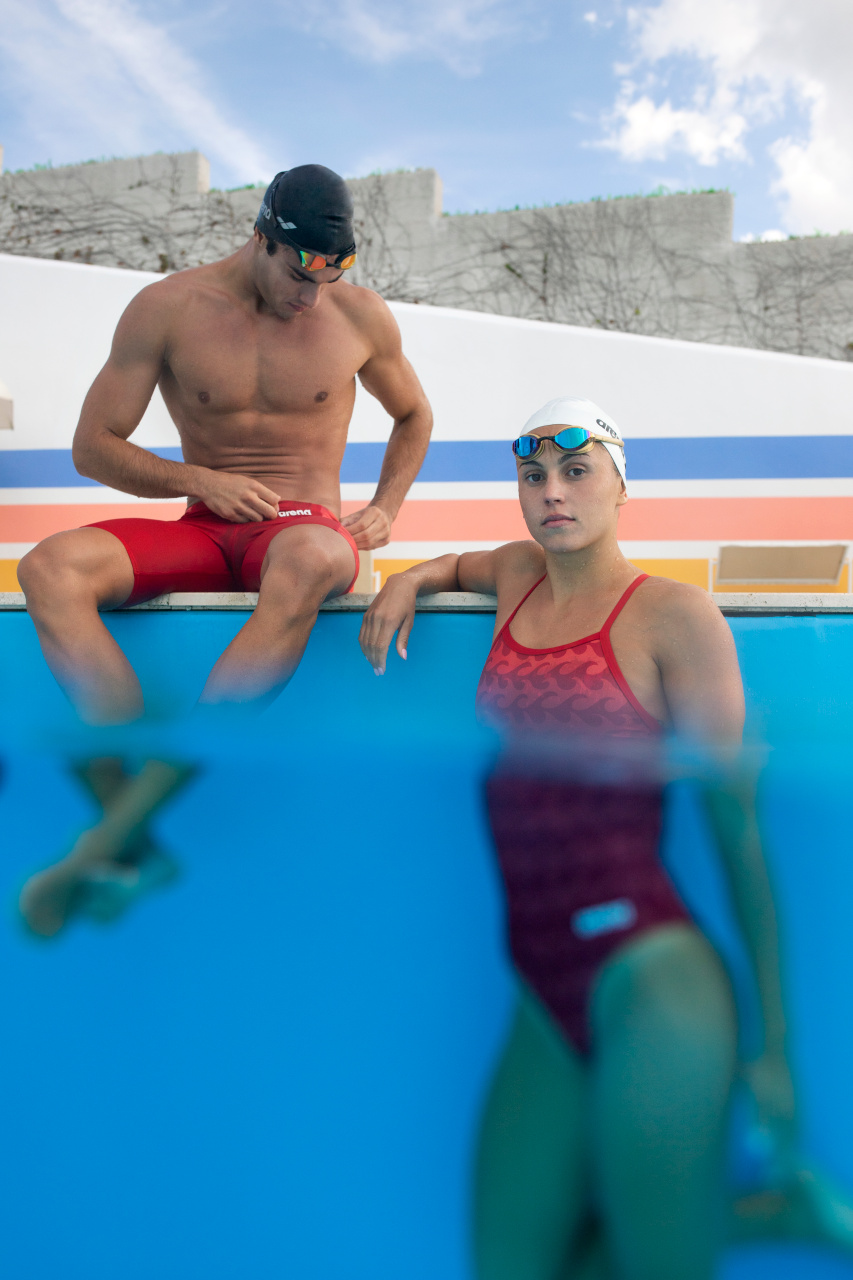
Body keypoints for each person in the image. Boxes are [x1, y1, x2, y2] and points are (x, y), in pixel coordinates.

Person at [358, 396, 853, 1278]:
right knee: (511, 1266)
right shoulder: (515, 576)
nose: (552, 492)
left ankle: (759, 1215)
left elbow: (734, 828)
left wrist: (772, 1049)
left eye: (576, 472)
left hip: (648, 975)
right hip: (540, 976)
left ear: (621, 485)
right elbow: (453, 562)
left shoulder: (673, 617)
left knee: (655, 1268)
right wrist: (409, 580)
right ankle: (758, 1208)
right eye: (533, 475)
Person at [18, 164, 432, 937]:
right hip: (204, 522)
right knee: (49, 568)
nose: (311, 297)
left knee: (310, 558)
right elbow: (91, 447)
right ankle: (133, 834)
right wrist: (198, 478)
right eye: (299, 274)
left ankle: (123, 825)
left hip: (303, 526)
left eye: (332, 276)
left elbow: (414, 416)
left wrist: (384, 508)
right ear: (263, 237)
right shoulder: (168, 309)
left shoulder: (359, 318)